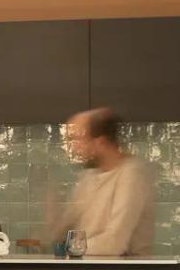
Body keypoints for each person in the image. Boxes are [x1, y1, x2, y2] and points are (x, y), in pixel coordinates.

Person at [62, 107, 156, 257]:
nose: (74, 147)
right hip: (89, 268)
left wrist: (70, 248)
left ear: (101, 142)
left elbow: (114, 242)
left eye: (78, 139)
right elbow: (70, 227)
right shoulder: (89, 176)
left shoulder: (132, 174)